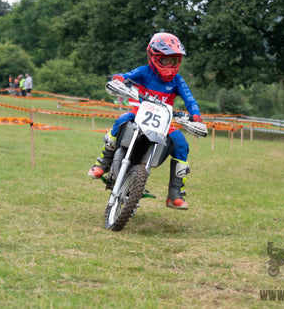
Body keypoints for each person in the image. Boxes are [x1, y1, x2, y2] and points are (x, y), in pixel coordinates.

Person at [87, 32, 203, 210]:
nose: (170, 65)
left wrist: (195, 115)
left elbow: (190, 99)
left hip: (164, 121)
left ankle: (175, 193)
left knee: (181, 143)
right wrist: (119, 79)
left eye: (174, 61)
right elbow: (126, 76)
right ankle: (103, 161)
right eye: (165, 60)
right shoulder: (144, 71)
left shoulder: (177, 80)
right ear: (154, 57)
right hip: (139, 112)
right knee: (121, 120)